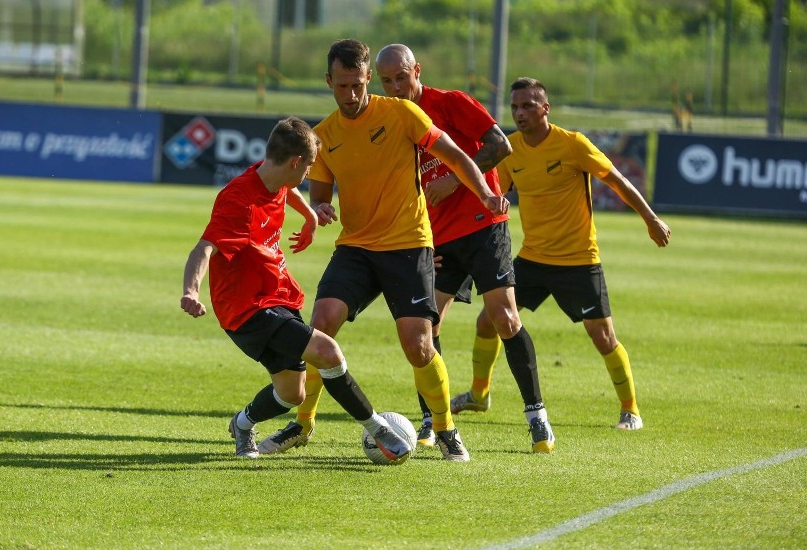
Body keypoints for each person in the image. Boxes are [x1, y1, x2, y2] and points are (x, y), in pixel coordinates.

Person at [259, 39, 510, 462]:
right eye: (342, 86)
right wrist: (321, 208)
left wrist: (485, 192)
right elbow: (320, 191)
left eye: (358, 84)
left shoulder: (402, 113)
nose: (351, 94)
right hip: (356, 247)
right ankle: (302, 424)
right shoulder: (323, 136)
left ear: (368, 79)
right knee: (320, 326)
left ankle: (447, 429)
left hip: (408, 244)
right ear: (329, 82)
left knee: (419, 345)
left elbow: (456, 154)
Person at [180, 116, 411, 461]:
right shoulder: (238, 201)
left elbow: (286, 190)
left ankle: (241, 426)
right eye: (310, 168)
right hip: (248, 309)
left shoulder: (272, 175)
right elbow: (204, 248)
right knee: (328, 352)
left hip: (277, 295)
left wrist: (311, 217)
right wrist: (191, 291)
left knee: (292, 393)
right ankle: (378, 429)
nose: (309, 176)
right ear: (294, 162)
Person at [454, 77, 671, 431]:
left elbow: (617, 180)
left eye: (527, 106)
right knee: (487, 321)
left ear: (545, 108)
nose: (520, 113)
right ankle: (479, 394)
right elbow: (490, 193)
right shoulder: (510, 150)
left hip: (579, 261)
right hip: (532, 258)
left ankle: (630, 409)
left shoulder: (573, 145)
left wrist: (651, 219)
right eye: (515, 107)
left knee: (602, 337)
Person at [374, 44, 555, 453]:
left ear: (417, 70)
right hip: (436, 240)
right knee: (424, 329)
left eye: (402, 77)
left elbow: (500, 146)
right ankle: (431, 421)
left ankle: (537, 417)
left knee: (505, 317)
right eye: (387, 81)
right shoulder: (389, 120)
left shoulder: (451, 103)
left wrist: (455, 180)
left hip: (483, 226)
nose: (396, 86)